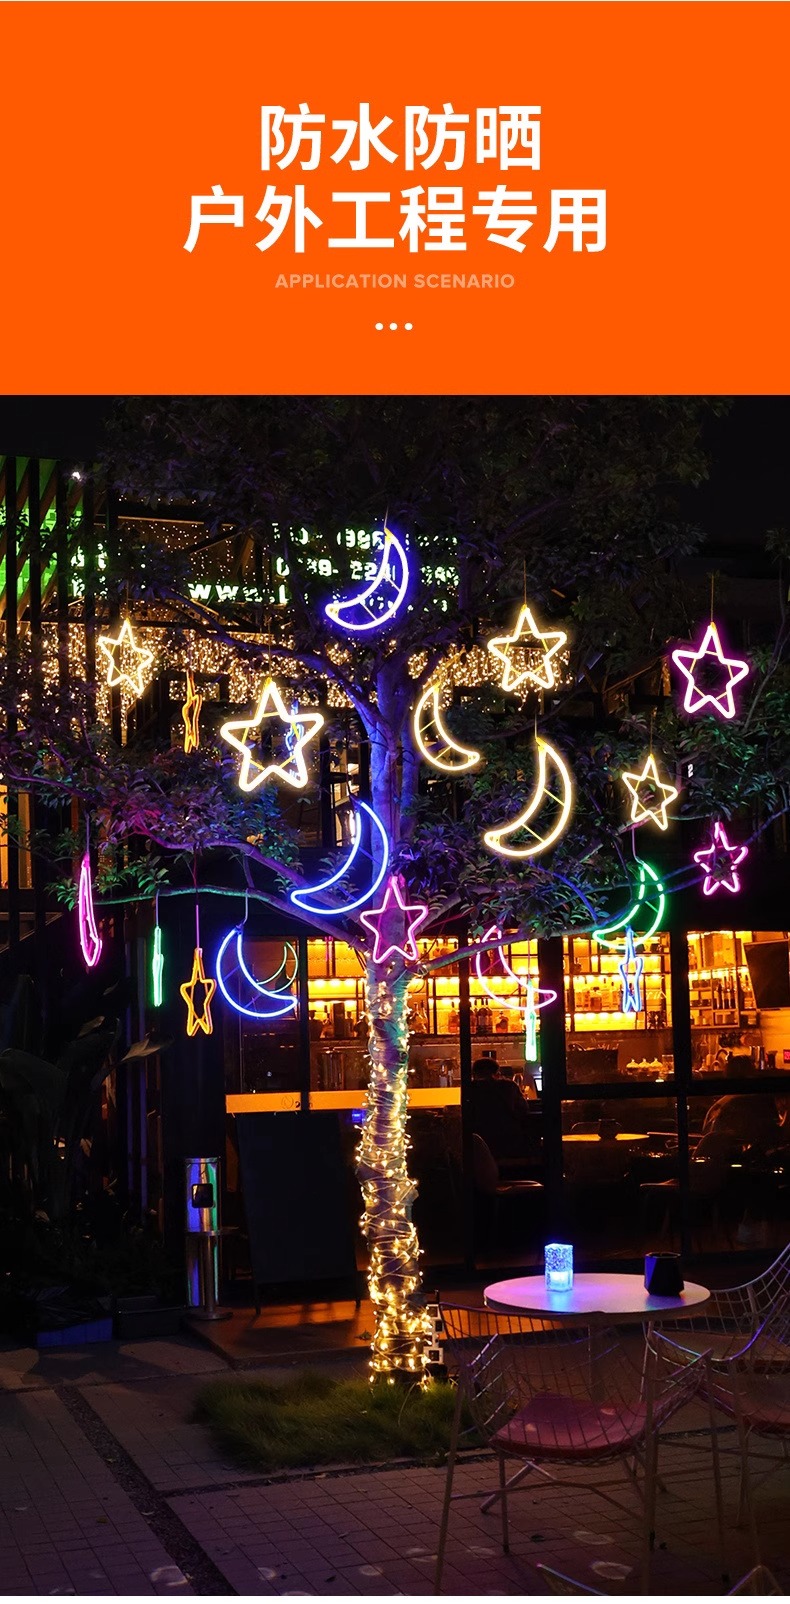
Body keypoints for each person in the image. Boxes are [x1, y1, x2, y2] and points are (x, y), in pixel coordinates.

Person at [468, 1057, 540, 1166]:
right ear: (497, 1073)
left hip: (480, 1148)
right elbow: (524, 1109)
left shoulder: (470, 1089)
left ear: (474, 1074)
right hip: (510, 1144)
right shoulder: (509, 1086)